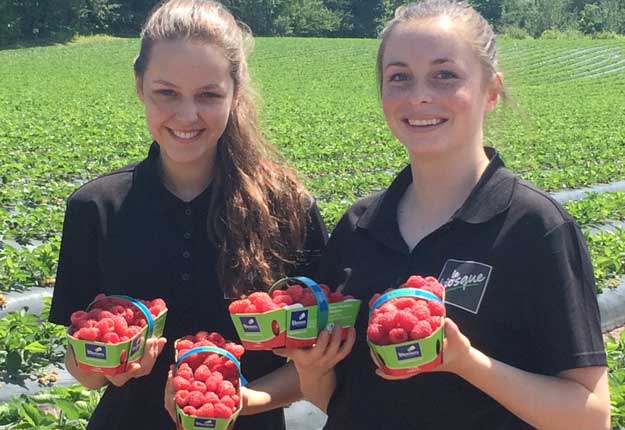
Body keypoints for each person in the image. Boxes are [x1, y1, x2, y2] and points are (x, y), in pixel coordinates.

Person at [238, 1, 611, 429]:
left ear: (491, 91)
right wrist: (313, 369)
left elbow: (590, 417)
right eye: (399, 77)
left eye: (445, 75)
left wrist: (465, 361)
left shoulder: (533, 227)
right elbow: (340, 404)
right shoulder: (359, 227)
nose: (419, 95)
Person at [48, 1, 327, 429]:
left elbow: (317, 358)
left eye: (208, 95)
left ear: (235, 93)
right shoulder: (95, 207)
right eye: (167, 92)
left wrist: (243, 400)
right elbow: (80, 361)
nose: (186, 115)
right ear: (140, 85)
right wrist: (101, 368)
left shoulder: (285, 207)